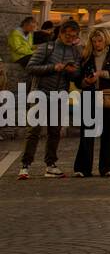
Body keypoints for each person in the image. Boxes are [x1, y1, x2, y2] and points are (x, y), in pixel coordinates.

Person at [17, 19, 81, 179]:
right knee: (34, 130)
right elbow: (30, 67)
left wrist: (72, 71)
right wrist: (53, 67)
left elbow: (77, 74)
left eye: (74, 36)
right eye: (68, 35)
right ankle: (25, 165)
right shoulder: (47, 48)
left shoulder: (75, 52)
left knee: (55, 131)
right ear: (61, 33)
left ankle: (50, 165)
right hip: (40, 93)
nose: (71, 39)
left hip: (59, 95)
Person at [73, 28, 110, 178]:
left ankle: (108, 167)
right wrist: (86, 81)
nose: (97, 44)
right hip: (90, 96)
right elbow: (77, 78)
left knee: (109, 133)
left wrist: (103, 74)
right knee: (87, 133)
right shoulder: (86, 56)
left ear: (106, 40)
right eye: (94, 41)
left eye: (100, 41)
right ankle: (83, 168)